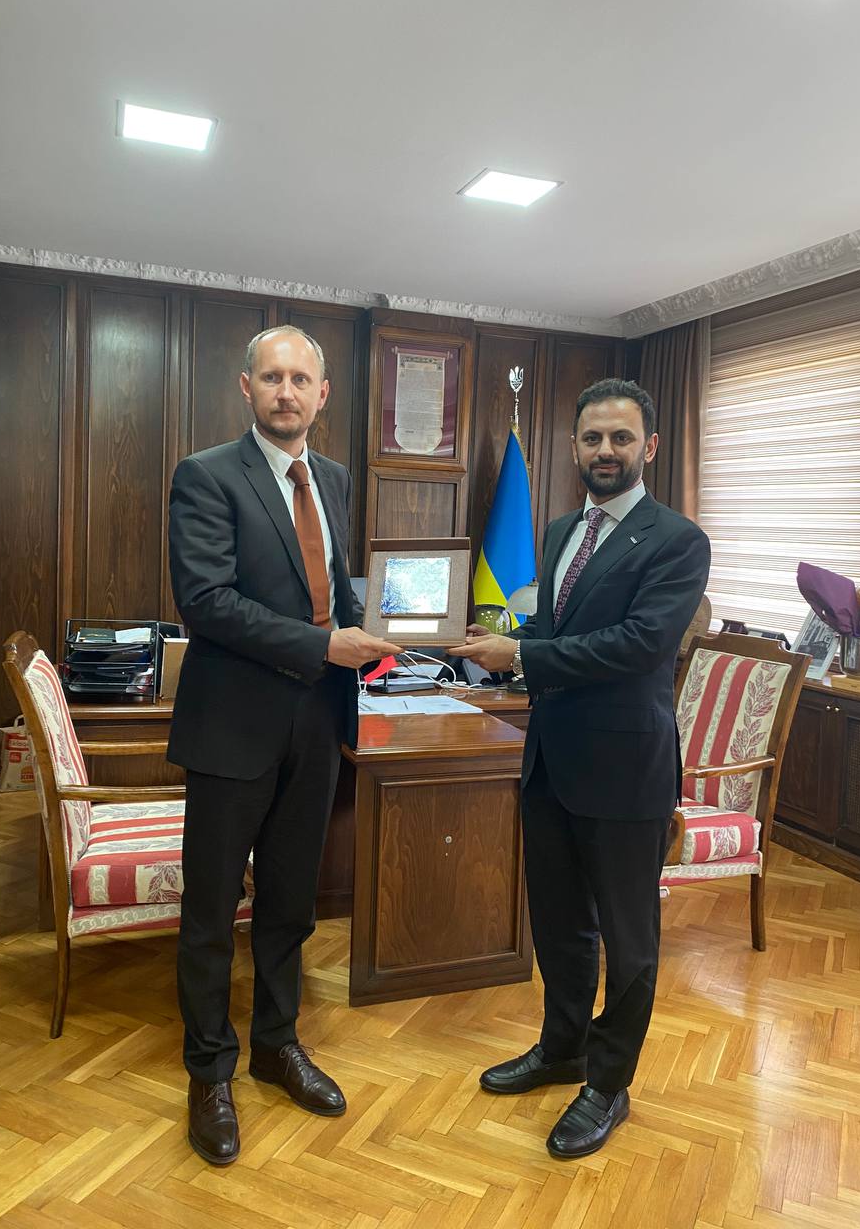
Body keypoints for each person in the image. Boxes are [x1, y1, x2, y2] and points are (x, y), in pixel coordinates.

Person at [450, 378, 710, 1159]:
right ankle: (561, 1048)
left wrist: (524, 655)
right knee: (560, 926)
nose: (605, 450)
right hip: (552, 762)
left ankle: (608, 1084)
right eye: (592, 437)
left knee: (629, 942)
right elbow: (555, 627)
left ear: (648, 447)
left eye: (620, 438)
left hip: (626, 770)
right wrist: (498, 644)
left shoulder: (677, 541)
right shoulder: (562, 530)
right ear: (573, 446)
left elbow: (639, 644)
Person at [167, 325, 398, 1165]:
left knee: (290, 904)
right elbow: (207, 601)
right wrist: (325, 644)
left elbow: (332, 590)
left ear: (322, 394)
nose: (287, 392)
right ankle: (209, 1071)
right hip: (233, 728)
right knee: (209, 913)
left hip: (317, 724)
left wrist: (384, 635)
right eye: (272, 377)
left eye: (302, 379)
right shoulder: (206, 475)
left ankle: (275, 1045)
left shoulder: (331, 478)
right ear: (247, 387)